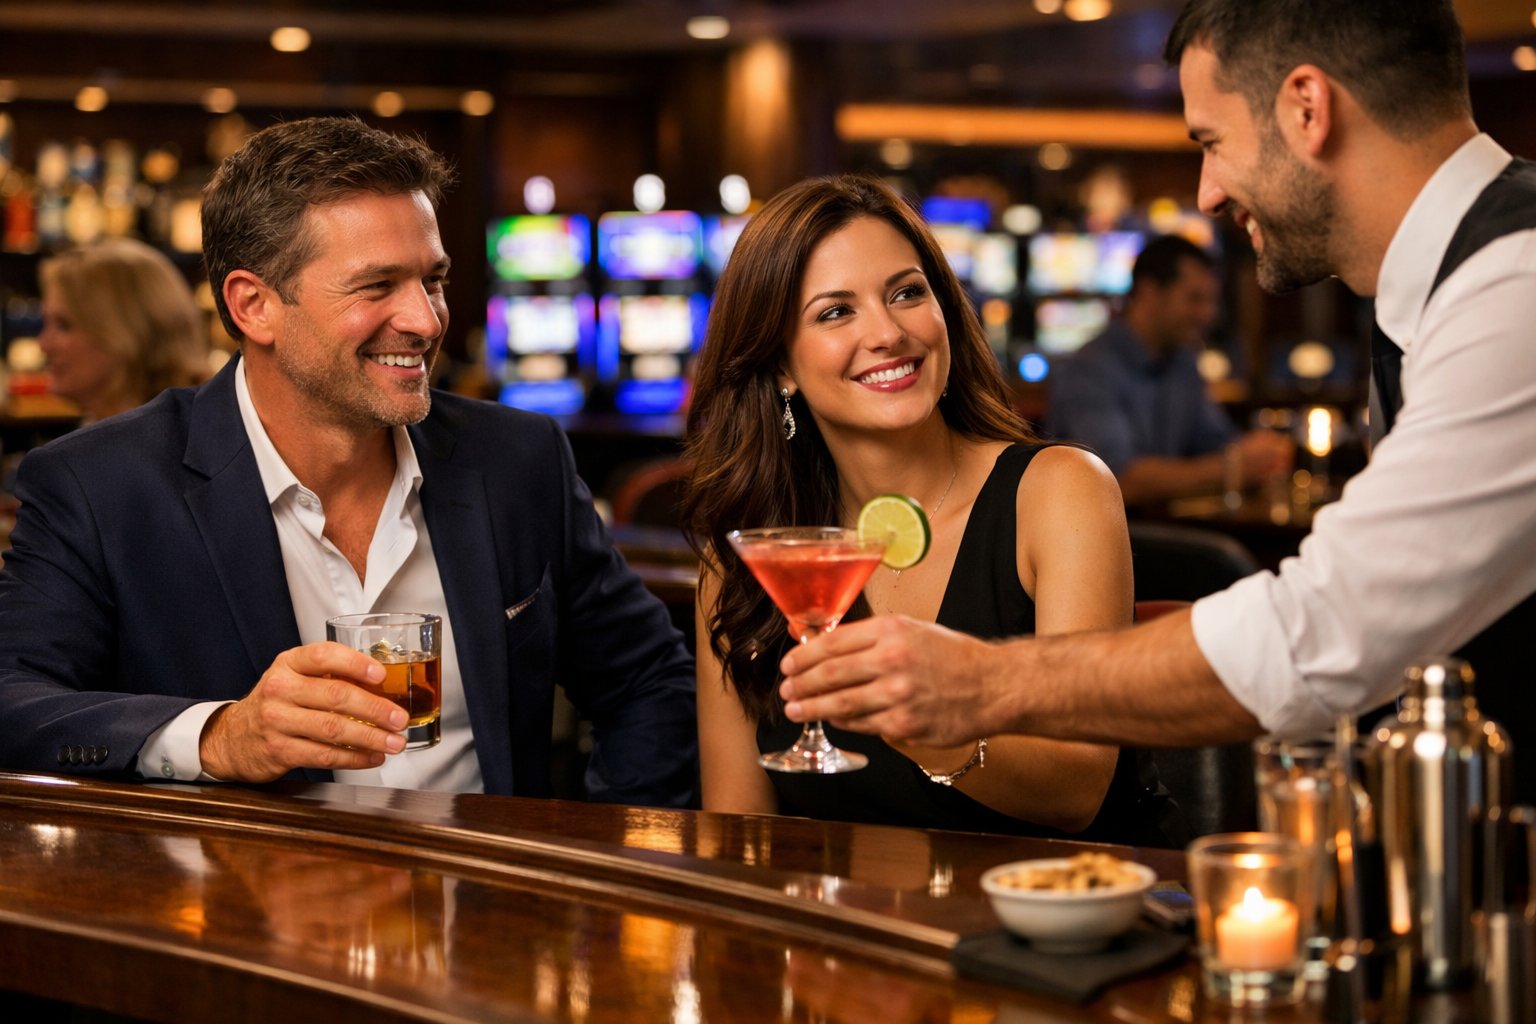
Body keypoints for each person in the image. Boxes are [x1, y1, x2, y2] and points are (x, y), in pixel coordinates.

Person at [775, 0, 1536, 805]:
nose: (1206, 193)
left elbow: (1327, 634)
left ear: (1308, 108)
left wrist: (979, 683)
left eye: (1210, 141)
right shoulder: (1458, 283)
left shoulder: (1513, 287)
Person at [0, 117, 697, 806]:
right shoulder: (99, 484)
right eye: (377, 286)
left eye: (434, 280)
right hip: (240, 908)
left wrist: (605, 863)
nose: (425, 320)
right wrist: (218, 737)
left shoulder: (517, 459)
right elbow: (14, 703)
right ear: (254, 306)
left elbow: (649, 683)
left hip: (490, 902)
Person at [683, 174, 1184, 845]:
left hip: (1070, 925)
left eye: (907, 293)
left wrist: (913, 715)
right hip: (855, 934)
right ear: (781, 367)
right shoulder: (746, 560)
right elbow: (739, 836)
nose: (888, 332)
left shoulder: (1060, 491)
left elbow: (1077, 788)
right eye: (836, 312)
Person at [1046, 234, 1292, 506]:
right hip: (1103, 538)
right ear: (1149, 292)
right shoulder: (1090, 369)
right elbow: (1116, 480)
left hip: (1164, 528)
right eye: (1195, 299)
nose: (1207, 314)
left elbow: (1217, 442)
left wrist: (1257, 453)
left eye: (1211, 301)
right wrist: (1232, 468)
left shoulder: (1183, 361)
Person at [37, 237, 209, 422]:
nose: (44, 344)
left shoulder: (191, 441)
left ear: (130, 331)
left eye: (64, 325)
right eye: (46, 323)